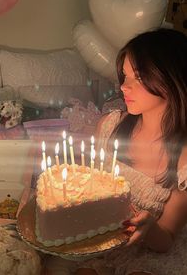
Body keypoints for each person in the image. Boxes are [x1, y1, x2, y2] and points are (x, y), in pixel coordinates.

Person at [45, 28, 187, 275]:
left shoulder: (184, 157)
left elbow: (166, 239)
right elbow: (91, 187)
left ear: (173, 79)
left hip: (149, 251)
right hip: (101, 239)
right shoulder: (110, 126)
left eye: (139, 78)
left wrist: (149, 227)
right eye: (124, 76)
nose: (123, 87)